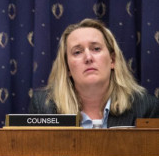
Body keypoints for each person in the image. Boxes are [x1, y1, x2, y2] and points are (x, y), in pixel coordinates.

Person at [29, 18, 159, 127]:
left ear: (112, 60)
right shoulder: (43, 108)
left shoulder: (147, 108)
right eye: (77, 52)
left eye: (96, 49)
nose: (88, 57)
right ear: (67, 68)